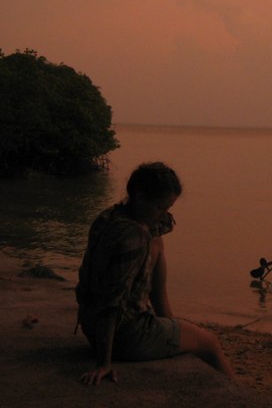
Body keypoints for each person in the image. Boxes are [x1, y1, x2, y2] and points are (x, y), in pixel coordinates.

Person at [75, 162, 234, 384]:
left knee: (156, 240)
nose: (163, 215)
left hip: (89, 326)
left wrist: (160, 218)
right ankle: (238, 393)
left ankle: (167, 322)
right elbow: (111, 303)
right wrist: (104, 363)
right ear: (140, 197)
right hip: (127, 335)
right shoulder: (132, 238)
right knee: (210, 343)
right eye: (160, 208)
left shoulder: (108, 217)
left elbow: (158, 229)